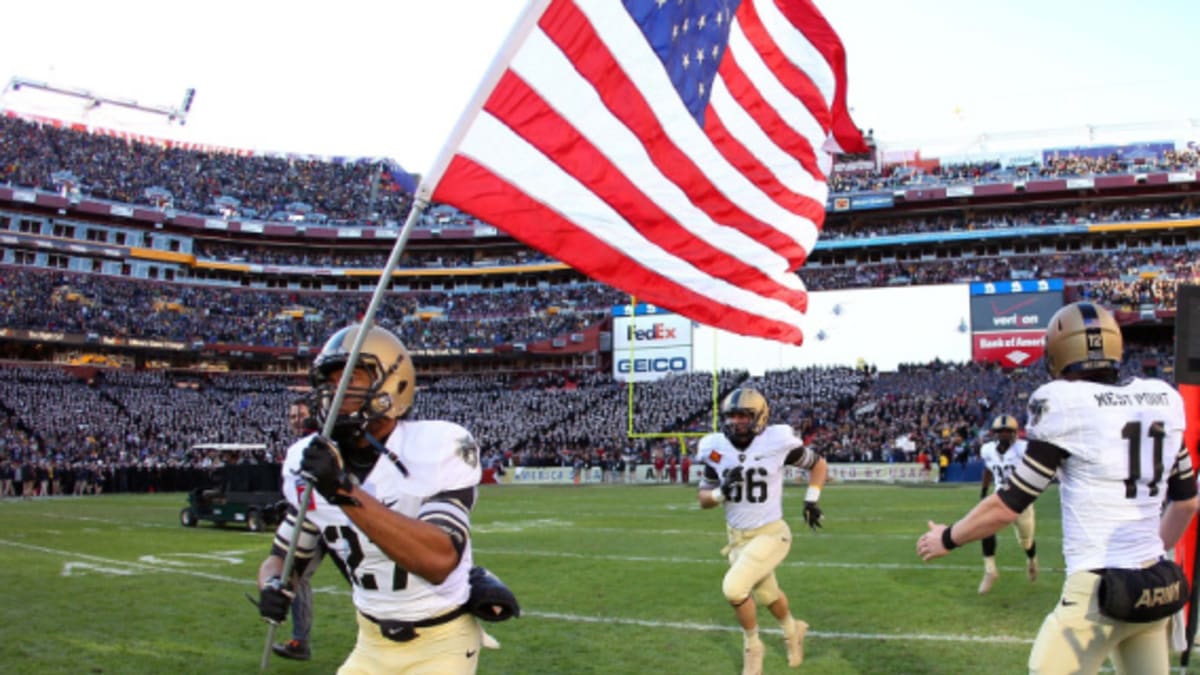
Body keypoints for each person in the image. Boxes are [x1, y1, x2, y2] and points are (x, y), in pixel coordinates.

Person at [917, 302, 1198, 675]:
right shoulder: (1162, 401)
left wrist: (948, 537)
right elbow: (1186, 504)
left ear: (1059, 352)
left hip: (1096, 594)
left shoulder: (1066, 404)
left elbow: (1008, 504)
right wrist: (1144, 557)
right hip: (1153, 590)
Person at [255, 324, 488, 674]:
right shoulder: (306, 459)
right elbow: (284, 558)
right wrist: (273, 584)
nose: (336, 392)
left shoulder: (437, 444)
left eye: (352, 380)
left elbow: (438, 559)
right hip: (370, 640)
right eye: (330, 384)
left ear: (393, 384)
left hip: (442, 639)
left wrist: (343, 491)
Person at [697, 387, 829, 675]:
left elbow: (819, 465)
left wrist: (812, 498)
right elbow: (704, 498)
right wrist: (721, 493)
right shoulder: (715, 447)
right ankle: (793, 631)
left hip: (771, 533)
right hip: (737, 539)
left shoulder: (777, 441)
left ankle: (753, 647)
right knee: (768, 596)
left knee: (733, 588)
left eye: (744, 416)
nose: (737, 422)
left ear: (760, 417)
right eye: (732, 416)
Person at [271, 397, 323, 661]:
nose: (296, 420)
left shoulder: (325, 441)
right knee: (296, 575)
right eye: (292, 416)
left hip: (340, 520)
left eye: (300, 414)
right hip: (310, 521)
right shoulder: (296, 449)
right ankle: (300, 641)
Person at [976, 413, 1039, 594]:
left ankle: (1032, 559)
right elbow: (988, 469)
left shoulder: (1023, 448)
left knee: (1026, 542)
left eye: (1007, 431)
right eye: (1000, 431)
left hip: (1021, 501)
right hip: (1000, 497)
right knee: (985, 527)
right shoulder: (988, 450)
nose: (1003, 435)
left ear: (1014, 433)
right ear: (994, 433)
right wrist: (983, 493)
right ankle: (990, 570)